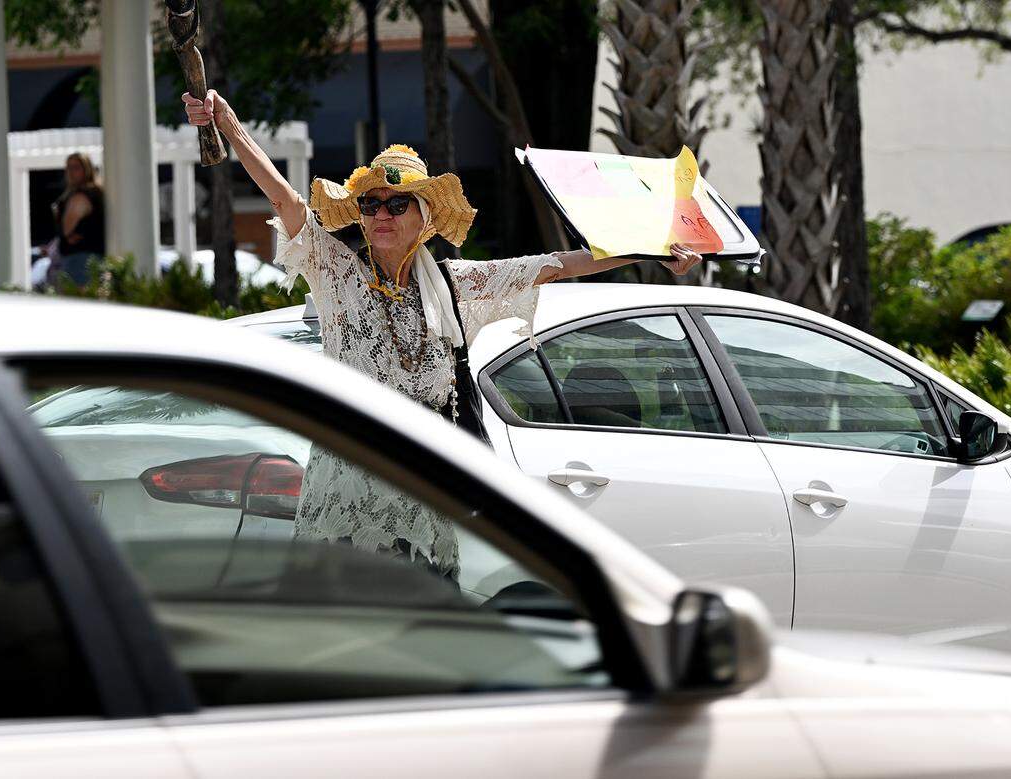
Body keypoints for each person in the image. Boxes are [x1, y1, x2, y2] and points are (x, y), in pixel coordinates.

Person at [183, 89, 703, 580]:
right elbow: (287, 202)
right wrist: (228, 125)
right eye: (370, 205)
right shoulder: (336, 274)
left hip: (422, 504)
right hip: (347, 501)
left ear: (424, 217)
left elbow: (556, 266)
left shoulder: (453, 282)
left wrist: (653, 250)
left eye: (396, 204)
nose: (381, 215)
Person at [51, 152, 106, 286]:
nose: (70, 172)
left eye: (76, 167)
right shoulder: (88, 193)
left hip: (80, 260)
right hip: (82, 258)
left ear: (86, 169)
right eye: (68, 167)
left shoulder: (83, 194)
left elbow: (67, 229)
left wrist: (67, 234)